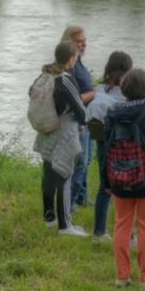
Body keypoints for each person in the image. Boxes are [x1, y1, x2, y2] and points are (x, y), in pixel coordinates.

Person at [103, 68, 145, 289]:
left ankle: (122, 276)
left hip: (119, 178)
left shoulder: (112, 112)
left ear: (125, 89)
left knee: (121, 225)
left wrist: (106, 181)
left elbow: (104, 150)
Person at [34, 40, 89, 237]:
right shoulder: (65, 79)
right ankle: (66, 226)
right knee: (65, 175)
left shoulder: (45, 74)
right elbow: (79, 107)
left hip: (46, 129)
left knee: (48, 173)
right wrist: (84, 122)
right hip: (64, 132)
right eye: (75, 56)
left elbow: (30, 93)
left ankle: (49, 218)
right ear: (71, 58)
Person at [86, 50, 134, 237]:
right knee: (128, 187)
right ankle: (127, 232)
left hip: (103, 143)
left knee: (104, 187)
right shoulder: (128, 90)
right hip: (125, 145)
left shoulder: (100, 89)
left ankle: (99, 230)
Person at [61, 24, 97, 208]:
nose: (83, 45)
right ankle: (71, 204)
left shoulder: (79, 61)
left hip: (87, 118)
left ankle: (82, 196)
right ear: (69, 42)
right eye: (79, 42)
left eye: (85, 41)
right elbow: (70, 98)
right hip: (76, 122)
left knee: (88, 158)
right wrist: (93, 95)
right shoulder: (68, 66)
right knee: (80, 162)